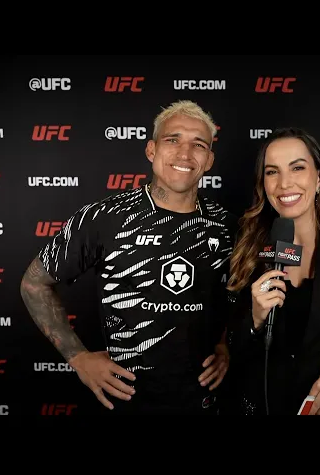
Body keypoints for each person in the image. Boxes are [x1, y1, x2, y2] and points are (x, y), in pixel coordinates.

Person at [19, 100, 238, 415]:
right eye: (172, 140)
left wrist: (224, 344)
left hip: (203, 401)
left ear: (209, 160)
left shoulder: (228, 226)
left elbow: (237, 298)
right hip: (125, 400)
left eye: (198, 144)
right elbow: (33, 284)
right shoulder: (104, 217)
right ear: (151, 150)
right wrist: (78, 358)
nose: (185, 153)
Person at [222, 127, 320, 415]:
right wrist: (255, 318)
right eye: (272, 172)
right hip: (258, 405)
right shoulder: (246, 245)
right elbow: (230, 346)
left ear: (318, 177)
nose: (285, 183)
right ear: (263, 183)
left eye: (297, 168)